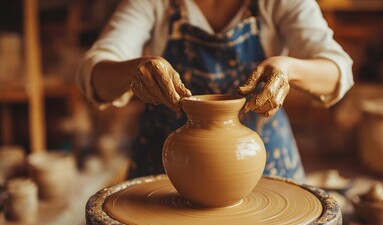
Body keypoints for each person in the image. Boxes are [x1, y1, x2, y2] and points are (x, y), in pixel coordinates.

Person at [77, 0, 353, 182]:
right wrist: (135, 69)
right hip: (168, 168)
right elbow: (93, 74)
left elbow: (338, 70)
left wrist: (288, 69)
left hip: (259, 167)